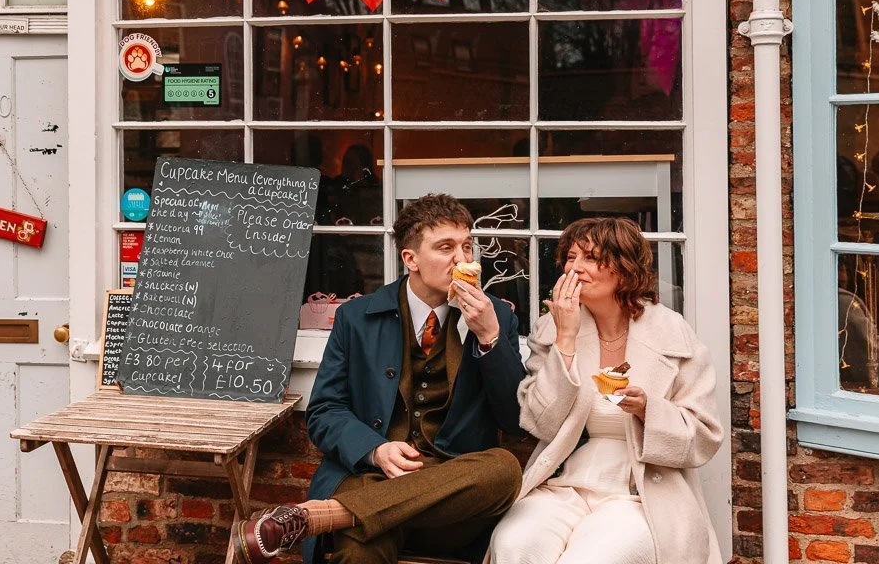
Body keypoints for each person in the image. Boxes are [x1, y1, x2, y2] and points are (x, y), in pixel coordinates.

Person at [231, 193, 527, 564]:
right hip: (374, 476)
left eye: (467, 247)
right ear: (410, 259)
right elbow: (324, 412)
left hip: (451, 499)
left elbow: (514, 419)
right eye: (446, 248)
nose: (462, 260)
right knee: (357, 554)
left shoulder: (497, 316)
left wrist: (489, 338)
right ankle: (356, 512)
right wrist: (376, 449)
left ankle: (321, 517)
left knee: (503, 469)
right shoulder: (356, 318)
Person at [489, 217, 723, 564]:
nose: (576, 268)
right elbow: (539, 423)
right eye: (571, 257)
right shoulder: (551, 327)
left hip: (638, 492)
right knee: (515, 543)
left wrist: (649, 410)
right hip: (563, 483)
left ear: (625, 269)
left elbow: (704, 436)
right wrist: (565, 340)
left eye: (591, 258)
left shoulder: (672, 333)